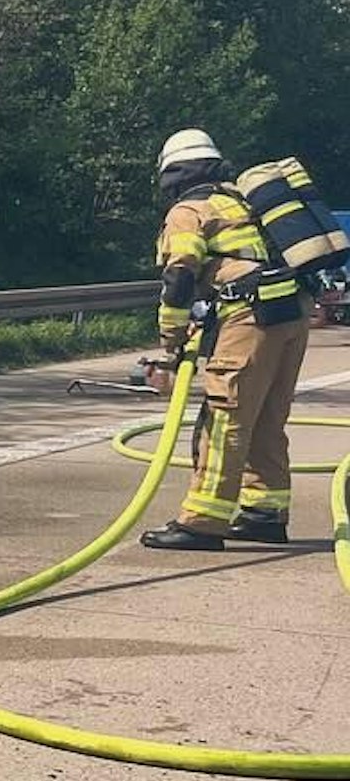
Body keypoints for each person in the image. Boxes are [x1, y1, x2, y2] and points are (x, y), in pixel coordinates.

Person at [140, 128, 309, 551]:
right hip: (290, 313)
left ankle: (202, 523)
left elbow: (179, 276)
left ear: (173, 174)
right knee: (267, 418)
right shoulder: (245, 200)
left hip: (250, 315)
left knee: (225, 418)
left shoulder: (189, 210)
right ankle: (264, 513)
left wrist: (172, 338)